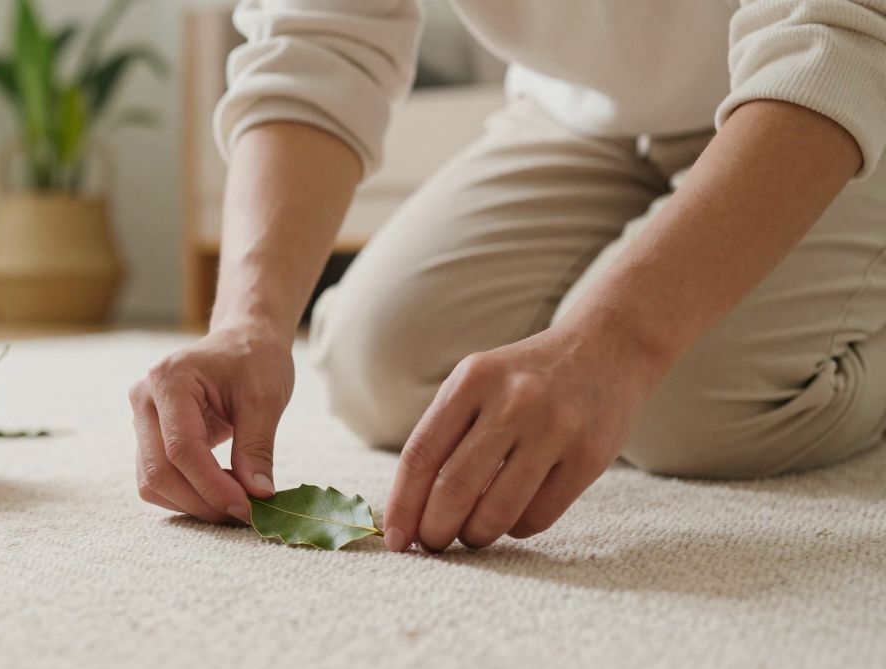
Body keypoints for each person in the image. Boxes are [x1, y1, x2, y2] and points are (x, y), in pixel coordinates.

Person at [128, 0, 886, 552]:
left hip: (840, 92)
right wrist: (247, 321)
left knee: (685, 405)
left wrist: (616, 341)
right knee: (378, 361)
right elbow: (318, 34)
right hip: (581, 116)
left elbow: (836, 36)